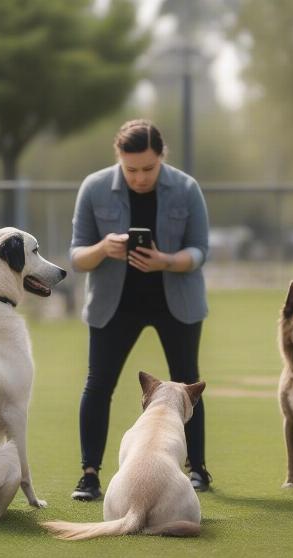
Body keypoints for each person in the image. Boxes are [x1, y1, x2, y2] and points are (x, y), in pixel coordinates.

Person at [69, 119, 211, 500]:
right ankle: (89, 474)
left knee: (187, 383)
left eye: (149, 168)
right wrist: (104, 248)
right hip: (114, 306)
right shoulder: (94, 187)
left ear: (162, 157)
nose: (140, 177)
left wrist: (165, 260)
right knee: (98, 385)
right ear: (119, 159)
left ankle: (196, 468)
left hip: (176, 303)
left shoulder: (186, 188)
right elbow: (77, 256)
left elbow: (200, 251)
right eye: (131, 169)